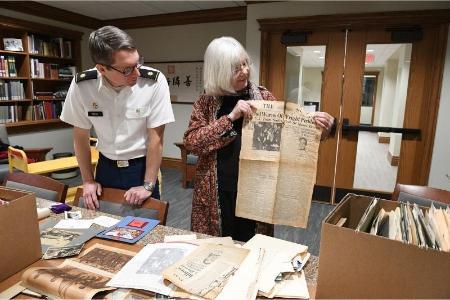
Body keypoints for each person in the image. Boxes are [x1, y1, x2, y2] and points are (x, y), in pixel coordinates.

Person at [183, 36, 334, 242]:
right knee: (216, 249)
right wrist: (229, 118)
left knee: (253, 248)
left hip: (257, 190)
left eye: (245, 63)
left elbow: (287, 137)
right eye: (236, 68)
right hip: (214, 193)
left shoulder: (262, 97)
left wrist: (318, 128)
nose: (245, 71)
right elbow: (192, 143)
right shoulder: (206, 102)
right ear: (219, 71)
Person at [61, 26, 174, 210]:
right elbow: (80, 137)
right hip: (106, 167)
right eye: (128, 69)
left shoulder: (153, 82)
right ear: (102, 68)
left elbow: (156, 138)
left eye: (138, 63)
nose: (137, 73)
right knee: (103, 226)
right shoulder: (83, 85)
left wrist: (148, 184)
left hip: (142, 167)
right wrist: (88, 180)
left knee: (147, 229)